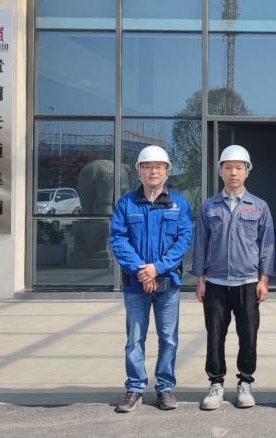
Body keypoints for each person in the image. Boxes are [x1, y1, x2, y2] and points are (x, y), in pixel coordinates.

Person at [191, 145, 275, 410]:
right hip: (215, 282)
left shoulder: (259, 206)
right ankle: (216, 384)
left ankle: (245, 383)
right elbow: (200, 245)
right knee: (215, 336)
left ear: (247, 171)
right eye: (228, 167)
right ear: (220, 171)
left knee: (248, 335)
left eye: (239, 167)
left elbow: (267, 247)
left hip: (248, 282)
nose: (233, 172)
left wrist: (264, 280)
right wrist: (200, 281)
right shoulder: (209, 207)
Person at [110, 145, 193, 412]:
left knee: (168, 338)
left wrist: (157, 269)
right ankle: (135, 388)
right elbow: (118, 239)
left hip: (167, 283)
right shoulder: (126, 204)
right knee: (135, 338)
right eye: (147, 166)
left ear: (167, 171)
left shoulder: (179, 203)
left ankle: (165, 388)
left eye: (158, 166)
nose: (153, 171)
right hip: (136, 284)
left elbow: (184, 240)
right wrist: (142, 270)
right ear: (138, 171)